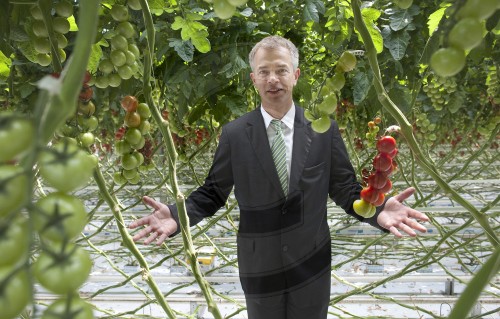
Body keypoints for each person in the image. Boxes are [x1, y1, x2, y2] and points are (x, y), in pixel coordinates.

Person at [129, 35, 429, 319]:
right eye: (264, 71)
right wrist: (176, 216)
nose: (273, 78)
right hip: (259, 267)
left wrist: (377, 208)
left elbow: (344, 189)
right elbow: (213, 193)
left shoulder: (323, 129)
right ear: (254, 79)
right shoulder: (235, 134)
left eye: (281, 70)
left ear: (295, 75)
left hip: (311, 266)